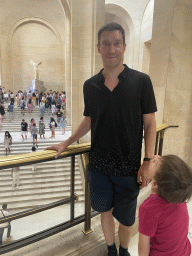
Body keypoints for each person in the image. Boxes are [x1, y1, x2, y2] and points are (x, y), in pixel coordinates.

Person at [46, 22, 157, 256]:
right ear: (98, 47)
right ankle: (111, 250)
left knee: (127, 219)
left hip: (129, 166)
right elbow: (89, 119)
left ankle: (124, 249)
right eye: (106, 44)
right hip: (98, 165)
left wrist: (147, 161)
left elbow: (150, 123)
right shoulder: (90, 86)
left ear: (124, 46)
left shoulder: (141, 81)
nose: (111, 49)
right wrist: (67, 141)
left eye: (116, 43)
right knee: (104, 211)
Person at [138, 155, 192, 256]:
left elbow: (143, 247)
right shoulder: (179, 195)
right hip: (183, 252)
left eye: (156, 162)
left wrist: (152, 199)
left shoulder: (148, 209)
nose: (156, 157)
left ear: (155, 184)